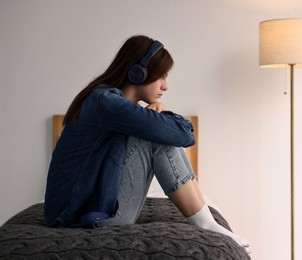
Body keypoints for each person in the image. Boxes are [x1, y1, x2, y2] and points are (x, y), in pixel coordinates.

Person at [44, 35, 250, 254]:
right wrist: (155, 122)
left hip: (82, 211)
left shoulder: (107, 102)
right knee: (155, 137)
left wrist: (152, 119)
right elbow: (185, 135)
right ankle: (205, 223)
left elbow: (185, 135)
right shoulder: (104, 102)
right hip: (80, 218)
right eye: (161, 76)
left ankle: (206, 220)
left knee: (156, 133)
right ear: (137, 73)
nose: (166, 86)